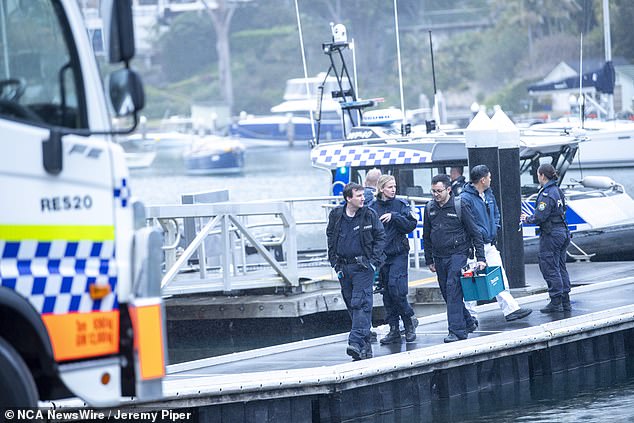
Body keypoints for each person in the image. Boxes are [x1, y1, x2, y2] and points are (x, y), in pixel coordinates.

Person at [460, 165, 533, 323]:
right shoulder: (466, 199)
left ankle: (511, 309)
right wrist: (483, 233)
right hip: (473, 247)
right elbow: (470, 223)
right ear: (483, 179)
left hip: (489, 243)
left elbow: (495, 213)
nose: (491, 180)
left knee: (498, 276)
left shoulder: (488, 194)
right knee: (471, 281)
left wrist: (495, 227)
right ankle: (470, 316)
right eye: (489, 177)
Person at [423, 174, 486, 343]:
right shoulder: (430, 208)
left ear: (448, 190)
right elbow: (426, 235)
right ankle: (468, 321)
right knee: (446, 292)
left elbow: (475, 232)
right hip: (439, 256)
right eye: (433, 191)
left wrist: (481, 257)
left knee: (453, 288)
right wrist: (428, 259)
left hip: (458, 253)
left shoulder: (460, 205)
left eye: (439, 191)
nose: (436, 194)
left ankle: (457, 331)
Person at [326, 182, 386, 360]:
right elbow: (330, 237)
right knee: (352, 304)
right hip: (344, 267)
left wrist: (373, 262)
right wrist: (334, 262)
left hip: (363, 267)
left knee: (361, 303)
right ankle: (365, 346)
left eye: (363, 195)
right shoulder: (336, 215)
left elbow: (380, 237)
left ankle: (355, 341)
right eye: (358, 196)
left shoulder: (369, 214)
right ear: (348, 198)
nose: (363, 199)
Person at [370, 175, 419, 344]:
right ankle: (394, 329)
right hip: (382, 256)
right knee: (387, 293)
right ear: (381, 189)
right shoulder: (373, 207)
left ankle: (409, 322)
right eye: (390, 187)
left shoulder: (400, 205)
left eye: (394, 187)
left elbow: (411, 224)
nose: (393, 190)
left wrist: (395, 217)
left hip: (398, 253)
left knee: (396, 289)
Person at [521, 163, 571, 313]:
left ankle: (556, 301)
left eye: (538, 175)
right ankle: (565, 300)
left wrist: (527, 219)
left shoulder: (546, 194)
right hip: (563, 232)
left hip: (551, 234)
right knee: (560, 266)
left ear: (542, 175)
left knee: (549, 266)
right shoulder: (558, 191)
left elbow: (540, 216)